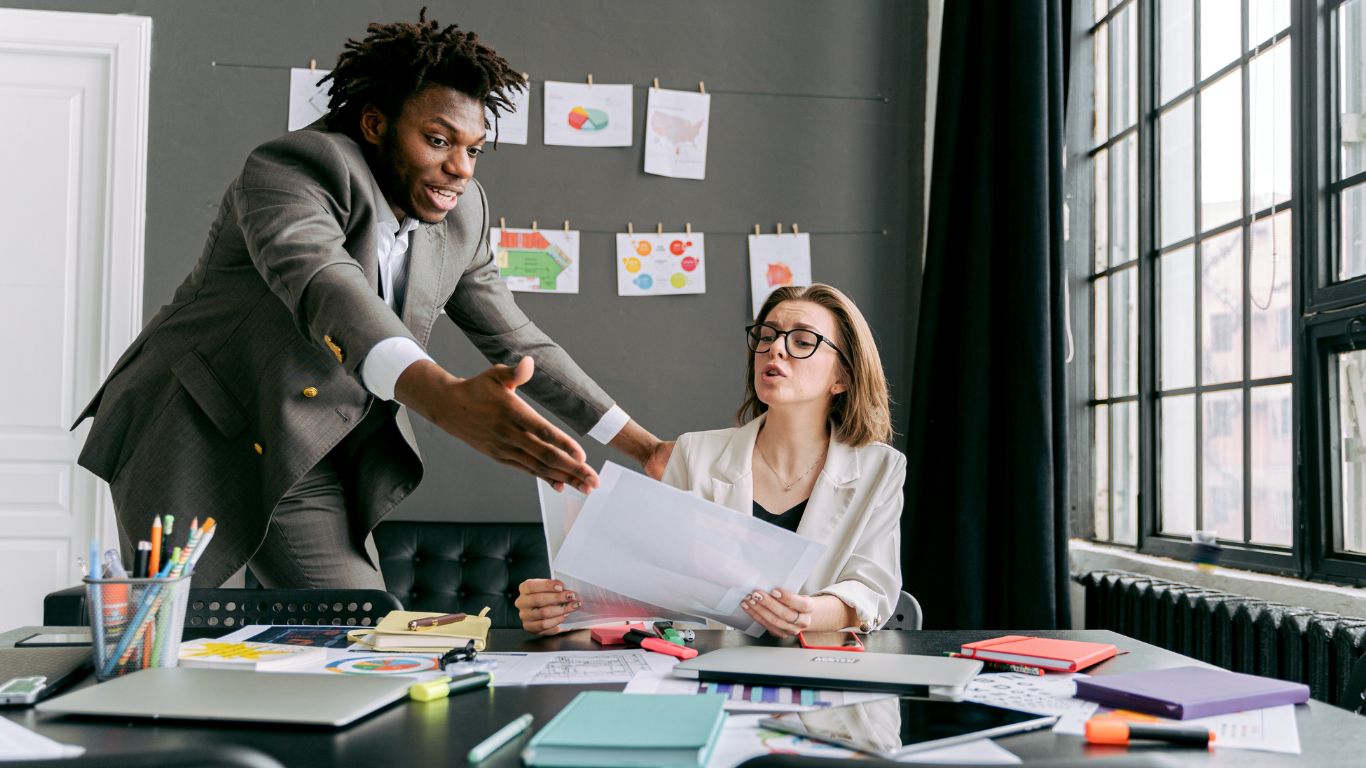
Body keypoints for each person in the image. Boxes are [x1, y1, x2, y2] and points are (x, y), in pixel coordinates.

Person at [72, 11, 670, 589]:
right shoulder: (294, 170)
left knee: (361, 632)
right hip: (194, 431)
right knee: (167, 643)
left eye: (474, 148)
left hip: (304, 449)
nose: (460, 169)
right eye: (438, 140)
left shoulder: (463, 217)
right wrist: (441, 397)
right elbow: (328, 287)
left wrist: (646, 447)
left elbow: (517, 338)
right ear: (376, 124)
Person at [517, 284, 905, 637]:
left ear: (844, 377)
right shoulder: (694, 453)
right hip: (705, 668)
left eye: (802, 340)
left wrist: (811, 614)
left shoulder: (880, 470)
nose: (775, 348)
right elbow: (652, 591)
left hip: (821, 673)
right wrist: (563, 611)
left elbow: (871, 589)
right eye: (766, 336)